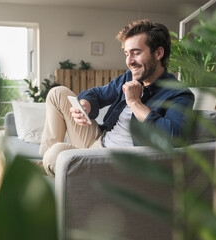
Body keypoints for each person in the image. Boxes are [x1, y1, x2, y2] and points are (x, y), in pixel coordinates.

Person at [39, 19, 194, 178]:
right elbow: (98, 94)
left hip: (114, 161)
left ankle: (47, 163)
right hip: (99, 139)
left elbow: (174, 138)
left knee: (55, 156)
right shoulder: (130, 76)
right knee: (57, 93)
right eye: (127, 54)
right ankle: (43, 164)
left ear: (158, 53)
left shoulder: (179, 94)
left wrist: (135, 103)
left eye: (136, 53)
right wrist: (86, 105)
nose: (129, 61)